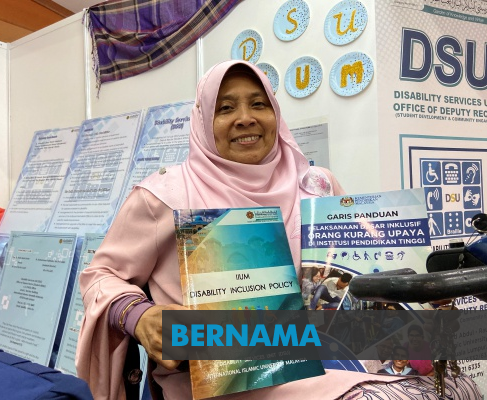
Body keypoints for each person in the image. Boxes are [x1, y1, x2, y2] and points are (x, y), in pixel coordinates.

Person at [76, 60, 481, 400]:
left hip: (338, 358)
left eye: (259, 103)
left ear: (276, 113)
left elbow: (357, 272)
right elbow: (100, 276)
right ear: (202, 120)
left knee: (460, 387)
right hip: (231, 377)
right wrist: (140, 315)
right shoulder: (164, 196)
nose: (245, 118)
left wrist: (421, 305)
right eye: (225, 108)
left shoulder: (317, 185)